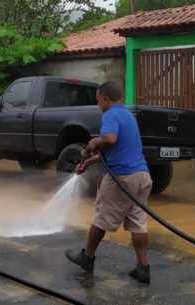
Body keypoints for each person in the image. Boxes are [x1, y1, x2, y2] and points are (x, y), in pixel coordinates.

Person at [65, 81, 153, 284]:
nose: (98, 105)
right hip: (142, 176)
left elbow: (110, 140)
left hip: (121, 178)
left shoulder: (110, 115)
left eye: (98, 100)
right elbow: (118, 148)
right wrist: (89, 161)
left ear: (104, 98)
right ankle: (143, 268)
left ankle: (87, 257)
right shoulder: (128, 116)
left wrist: (94, 142)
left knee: (101, 217)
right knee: (138, 223)